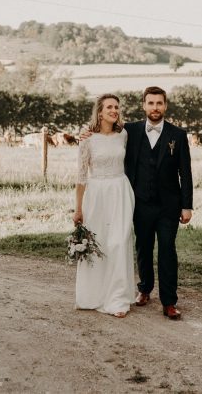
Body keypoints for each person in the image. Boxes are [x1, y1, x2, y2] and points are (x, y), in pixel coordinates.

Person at [123, 86, 193, 320]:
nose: (155, 108)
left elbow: (186, 173)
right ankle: (144, 289)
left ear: (165, 106)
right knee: (142, 247)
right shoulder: (129, 131)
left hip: (168, 206)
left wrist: (187, 205)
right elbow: (103, 133)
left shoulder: (178, 135)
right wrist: (86, 134)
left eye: (159, 103)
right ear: (143, 105)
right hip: (139, 202)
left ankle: (169, 302)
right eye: (150, 103)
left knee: (167, 250)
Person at [73, 94, 136, 318]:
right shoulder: (87, 138)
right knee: (99, 244)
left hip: (120, 191)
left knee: (119, 242)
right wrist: (78, 209)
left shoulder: (124, 135)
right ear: (99, 111)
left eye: (117, 107)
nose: (114, 110)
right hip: (97, 194)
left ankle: (118, 298)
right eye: (109, 107)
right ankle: (94, 295)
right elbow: (81, 177)